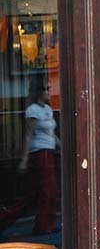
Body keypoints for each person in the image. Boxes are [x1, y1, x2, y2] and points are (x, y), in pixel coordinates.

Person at [19, 84, 60, 235]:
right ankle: (42, 227)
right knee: (46, 191)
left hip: (49, 152)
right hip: (40, 153)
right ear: (39, 93)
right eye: (46, 90)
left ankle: (48, 224)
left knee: (50, 191)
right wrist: (24, 158)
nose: (49, 92)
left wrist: (61, 146)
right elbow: (28, 134)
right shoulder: (33, 110)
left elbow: (51, 133)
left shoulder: (48, 109)